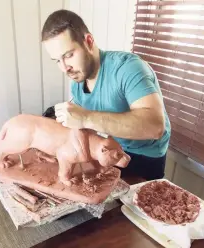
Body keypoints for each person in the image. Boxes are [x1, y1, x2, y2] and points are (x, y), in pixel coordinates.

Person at [41, 9, 171, 180]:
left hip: (146, 157)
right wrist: (57, 149)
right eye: (58, 60)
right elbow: (84, 129)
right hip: (111, 148)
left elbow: (155, 127)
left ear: (88, 41)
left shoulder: (128, 68)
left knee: (133, 205)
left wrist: (86, 118)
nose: (64, 68)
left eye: (69, 55)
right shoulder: (78, 82)